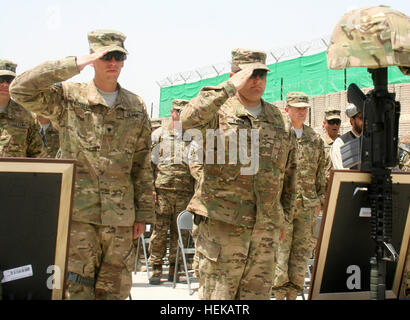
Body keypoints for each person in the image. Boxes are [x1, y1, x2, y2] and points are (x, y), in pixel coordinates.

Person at [10, 29, 155, 300]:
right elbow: (20, 89)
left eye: (118, 56)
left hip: (120, 218)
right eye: (105, 56)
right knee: (75, 289)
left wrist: (144, 213)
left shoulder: (136, 104)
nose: (113, 62)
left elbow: (142, 161)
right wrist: (75, 63)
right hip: (78, 215)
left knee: (115, 290)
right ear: (93, 59)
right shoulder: (67, 97)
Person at [180, 48, 297, 300]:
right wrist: (228, 87)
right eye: (250, 74)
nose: (257, 80)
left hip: (265, 230)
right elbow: (186, 120)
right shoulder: (217, 112)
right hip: (223, 227)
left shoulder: (279, 120)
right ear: (234, 76)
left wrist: (284, 218)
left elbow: (289, 174)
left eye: (262, 75)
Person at [272, 92, 327, 300]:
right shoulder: (279, 137)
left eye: (304, 108)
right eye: (297, 108)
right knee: (281, 253)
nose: (302, 112)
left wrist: (320, 201)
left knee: (301, 254)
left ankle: (293, 294)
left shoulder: (315, 139)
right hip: (284, 207)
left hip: (308, 207)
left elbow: (321, 172)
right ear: (287, 110)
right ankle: (278, 295)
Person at [148, 99, 195, 284]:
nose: (180, 115)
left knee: (180, 233)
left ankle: (175, 269)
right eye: (178, 112)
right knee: (159, 231)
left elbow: (195, 165)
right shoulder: (159, 135)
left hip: (184, 192)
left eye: (184, 112)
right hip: (162, 191)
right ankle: (156, 268)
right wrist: (151, 188)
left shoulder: (191, 137)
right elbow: (149, 165)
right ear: (172, 112)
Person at [0, 59, 45, 158]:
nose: (4, 84)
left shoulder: (27, 116)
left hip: (14, 173)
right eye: (0, 79)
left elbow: (37, 153)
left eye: (9, 80)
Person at [330, 103, 362, 169]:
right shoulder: (340, 143)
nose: (365, 121)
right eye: (361, 118)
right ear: (352, 120)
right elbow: (342, 173)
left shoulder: (373, 140)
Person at [321, 106, 341, 183]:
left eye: (337, 122)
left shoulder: (343, 143)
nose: (335, 125)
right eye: (331, 122)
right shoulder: (319, 143)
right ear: (324, 123)